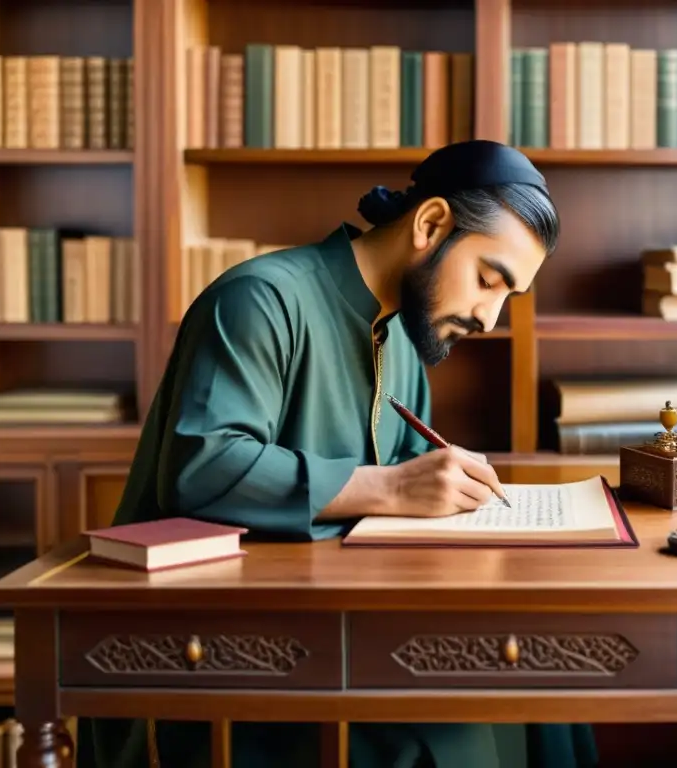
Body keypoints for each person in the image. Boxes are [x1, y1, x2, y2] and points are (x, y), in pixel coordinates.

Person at [76, 140, 599, 768]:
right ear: (430, 224)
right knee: (460, 733)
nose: (490, 317)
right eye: (489, 280)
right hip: (233, 650)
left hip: (350, 626)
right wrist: (394, 490)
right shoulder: (259, 300)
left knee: (552, 695)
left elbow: (413, 505)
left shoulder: (403, 340)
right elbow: (202, 470)